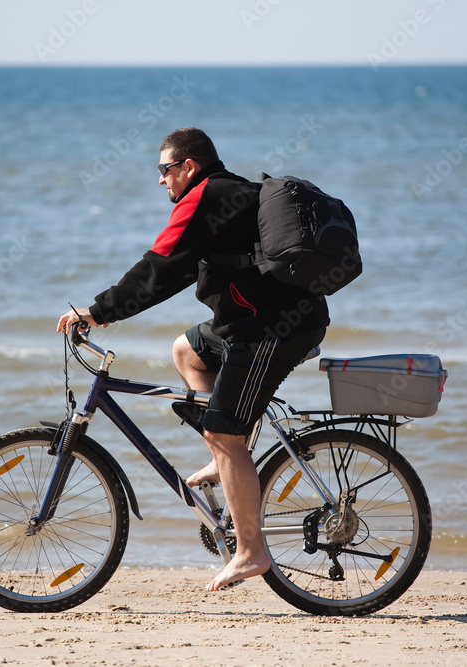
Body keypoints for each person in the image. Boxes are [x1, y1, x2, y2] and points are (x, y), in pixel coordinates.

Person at [57, 127, 328, 591]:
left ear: (188, 167)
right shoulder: (227, 194)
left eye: (165, 170)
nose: (161, 181)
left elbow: (157, 267)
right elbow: (178, 270)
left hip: (272, 330)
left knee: (224, 432)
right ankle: (228, 455)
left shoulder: (205, 197)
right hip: (255, 322)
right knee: (188, 350)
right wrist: (113, 311)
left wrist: (98, 311)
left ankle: (251, 552)